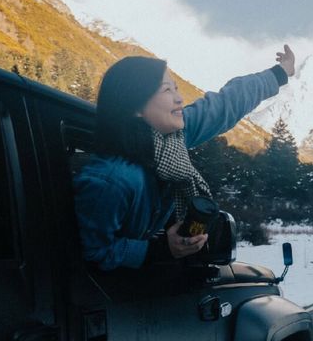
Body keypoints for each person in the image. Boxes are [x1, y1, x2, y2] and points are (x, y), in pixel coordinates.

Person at [74, 46, 295, 270]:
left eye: (176, 89)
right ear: (136, 106)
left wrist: (279, 73)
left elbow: (224, 104)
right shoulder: (110, 181)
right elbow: (92, 253)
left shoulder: (171, 140)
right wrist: (161, 248)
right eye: (167, 90)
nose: (179, 99)